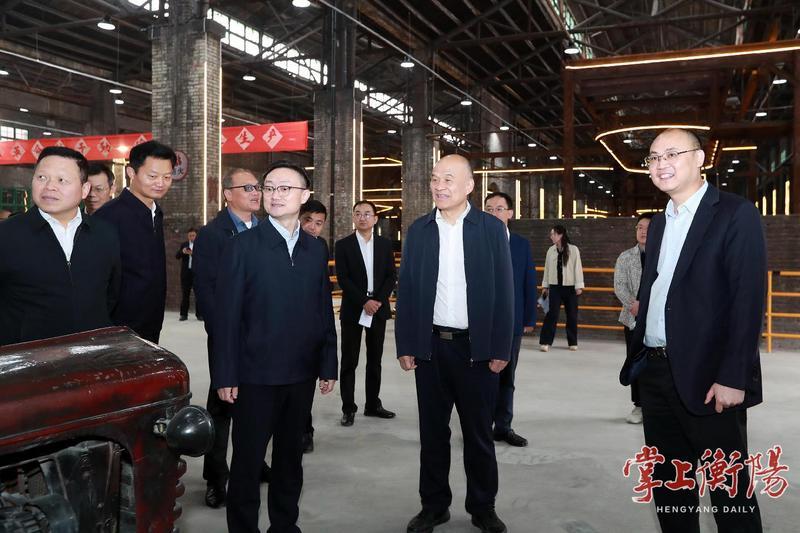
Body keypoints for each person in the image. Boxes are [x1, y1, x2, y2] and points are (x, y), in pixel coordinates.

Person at [622, 128, 765, 532]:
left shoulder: (735, 213)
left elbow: (747, 299)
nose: (661, 164)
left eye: (672, 154)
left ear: (700, 158)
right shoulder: (659, 223)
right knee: (670, 487)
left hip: (710, 377)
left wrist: (733, 376)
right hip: (656, 372)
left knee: (729, 493)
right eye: (653, 157)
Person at [213, 161, 337, 533]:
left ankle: (285, 525)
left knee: (290, 460)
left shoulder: (315, 249)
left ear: (304, 195)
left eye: (285, 188)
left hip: (300, 373)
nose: (274, 195)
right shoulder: (242, 246)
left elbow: (322, 309)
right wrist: (226, 373)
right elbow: (226, 317)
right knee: (248, 463)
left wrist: (328, 362)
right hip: (254, 375)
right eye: (269, 188)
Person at [396, 154, 513, 533]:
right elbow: (407, 290)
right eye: (435, 178)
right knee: (432, 434)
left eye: (448, 179)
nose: (439, 186)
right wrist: (406, 343)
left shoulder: (490, 229)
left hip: (475, 350)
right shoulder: (419, 230)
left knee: (478, 433)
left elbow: (505, 291)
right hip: (431, 347)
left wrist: (501, 348)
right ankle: (434, 506)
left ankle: (483, 507)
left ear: (469, 186)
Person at [193, 168, 268, 509]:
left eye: (258, 187)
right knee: (223, 405)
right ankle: (216, 477)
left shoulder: (267, 230)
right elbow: (206, 289)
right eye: (247, 187)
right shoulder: (212, 234)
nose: (256, 192)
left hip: (264, 336)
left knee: (259, 404)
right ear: (228, 194)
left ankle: (254, 463)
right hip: (229, 334)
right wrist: (222, 331)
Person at [0, 146, 120, 346]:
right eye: (42, 178)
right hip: (28, 356)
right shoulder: (6, 234)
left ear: (84, 189)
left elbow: (111, 295)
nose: (49, 187)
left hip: (91, 352)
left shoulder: (105, 234)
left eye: (62, 180)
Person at [94, 140, 175, 344]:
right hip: (119, 328)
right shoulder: (108, 217)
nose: (160, 183)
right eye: (152, 176)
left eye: (167, 177)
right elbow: (98, 281)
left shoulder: (156, 213)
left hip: (151, 322)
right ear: (131, 172)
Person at [335, 200, 397, 426]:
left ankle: (372, 405)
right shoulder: (343, 245)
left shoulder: (384, 244)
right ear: (353, 217)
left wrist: (377, 301)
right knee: (349, 361)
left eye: (367, 213)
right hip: (354, 308)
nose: (362, 217)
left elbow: (391, 276)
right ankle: (348, 408)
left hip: (377, 309)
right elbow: (343, 278)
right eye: (358, 213)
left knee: (375, 360)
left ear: (375, 218)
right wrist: (364, 301)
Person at [484, 192, 536, 448]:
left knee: (507, 378)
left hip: (511, 322)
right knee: (481, 378)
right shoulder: (473, 241)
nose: (494, 213)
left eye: (499, 208)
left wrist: (529, 317)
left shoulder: (520, 244)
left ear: (510, 213)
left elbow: (528, 281)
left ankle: (503, 427)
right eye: (489, 209)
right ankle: (481, 427)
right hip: (480, 322)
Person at [298, 198, 331, 453]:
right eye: (308, 220)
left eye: (318, 223)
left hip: (310, 327)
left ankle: (305, 431)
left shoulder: (320, 247)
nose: (312, 227)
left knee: (304, 385)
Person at [613, 213, 653, 425]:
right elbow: (619, 285)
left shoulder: (664, 255)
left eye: (647, 227)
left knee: (658, 364)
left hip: (658, 319)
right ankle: (639, 405)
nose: (643, 231)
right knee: (636, 361)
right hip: (633, 318)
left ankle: (657, 406)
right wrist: (633, 304)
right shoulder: (626, 256)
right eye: (639, 227)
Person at [539, 225, 584, 352]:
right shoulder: (550, 250)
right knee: (551, 315)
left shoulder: (573, 250)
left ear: (560, 235)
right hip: (555, 287)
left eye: (553, 234)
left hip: (570, 288)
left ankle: (572, 342)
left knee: (572, 315)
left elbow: (577, 268)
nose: (551, 236)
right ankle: (545, 342)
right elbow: (547, 269)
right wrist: (545, 286)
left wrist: (579, 286)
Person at [175, 227, 198, 321]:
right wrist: (182, 251)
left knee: (198, 294)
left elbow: (204, 257)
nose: (191, 237)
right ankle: (183, 315)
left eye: (193, 235)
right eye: (190, 236)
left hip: (196, 273)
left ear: (196, 236)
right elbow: (177, 256)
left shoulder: (200, 244)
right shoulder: (184, 245)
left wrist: (193, 254)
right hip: (186, 273)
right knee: (185, 294)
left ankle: (200, 314)